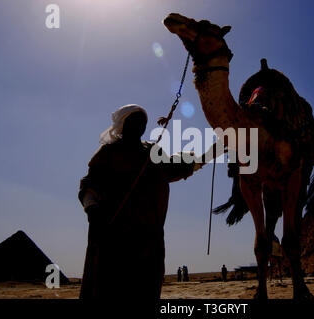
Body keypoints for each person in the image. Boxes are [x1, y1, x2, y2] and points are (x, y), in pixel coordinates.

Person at [78, 104, 214, 300]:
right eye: (134, 122)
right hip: (113, 239)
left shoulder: (153, 152)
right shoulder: (108, 153)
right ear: (122, 125)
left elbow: (181, 165)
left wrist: (213, 151)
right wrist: (92, 209)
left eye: (142, 123)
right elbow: (89, 186)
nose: (139, 126)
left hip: (149, 243)